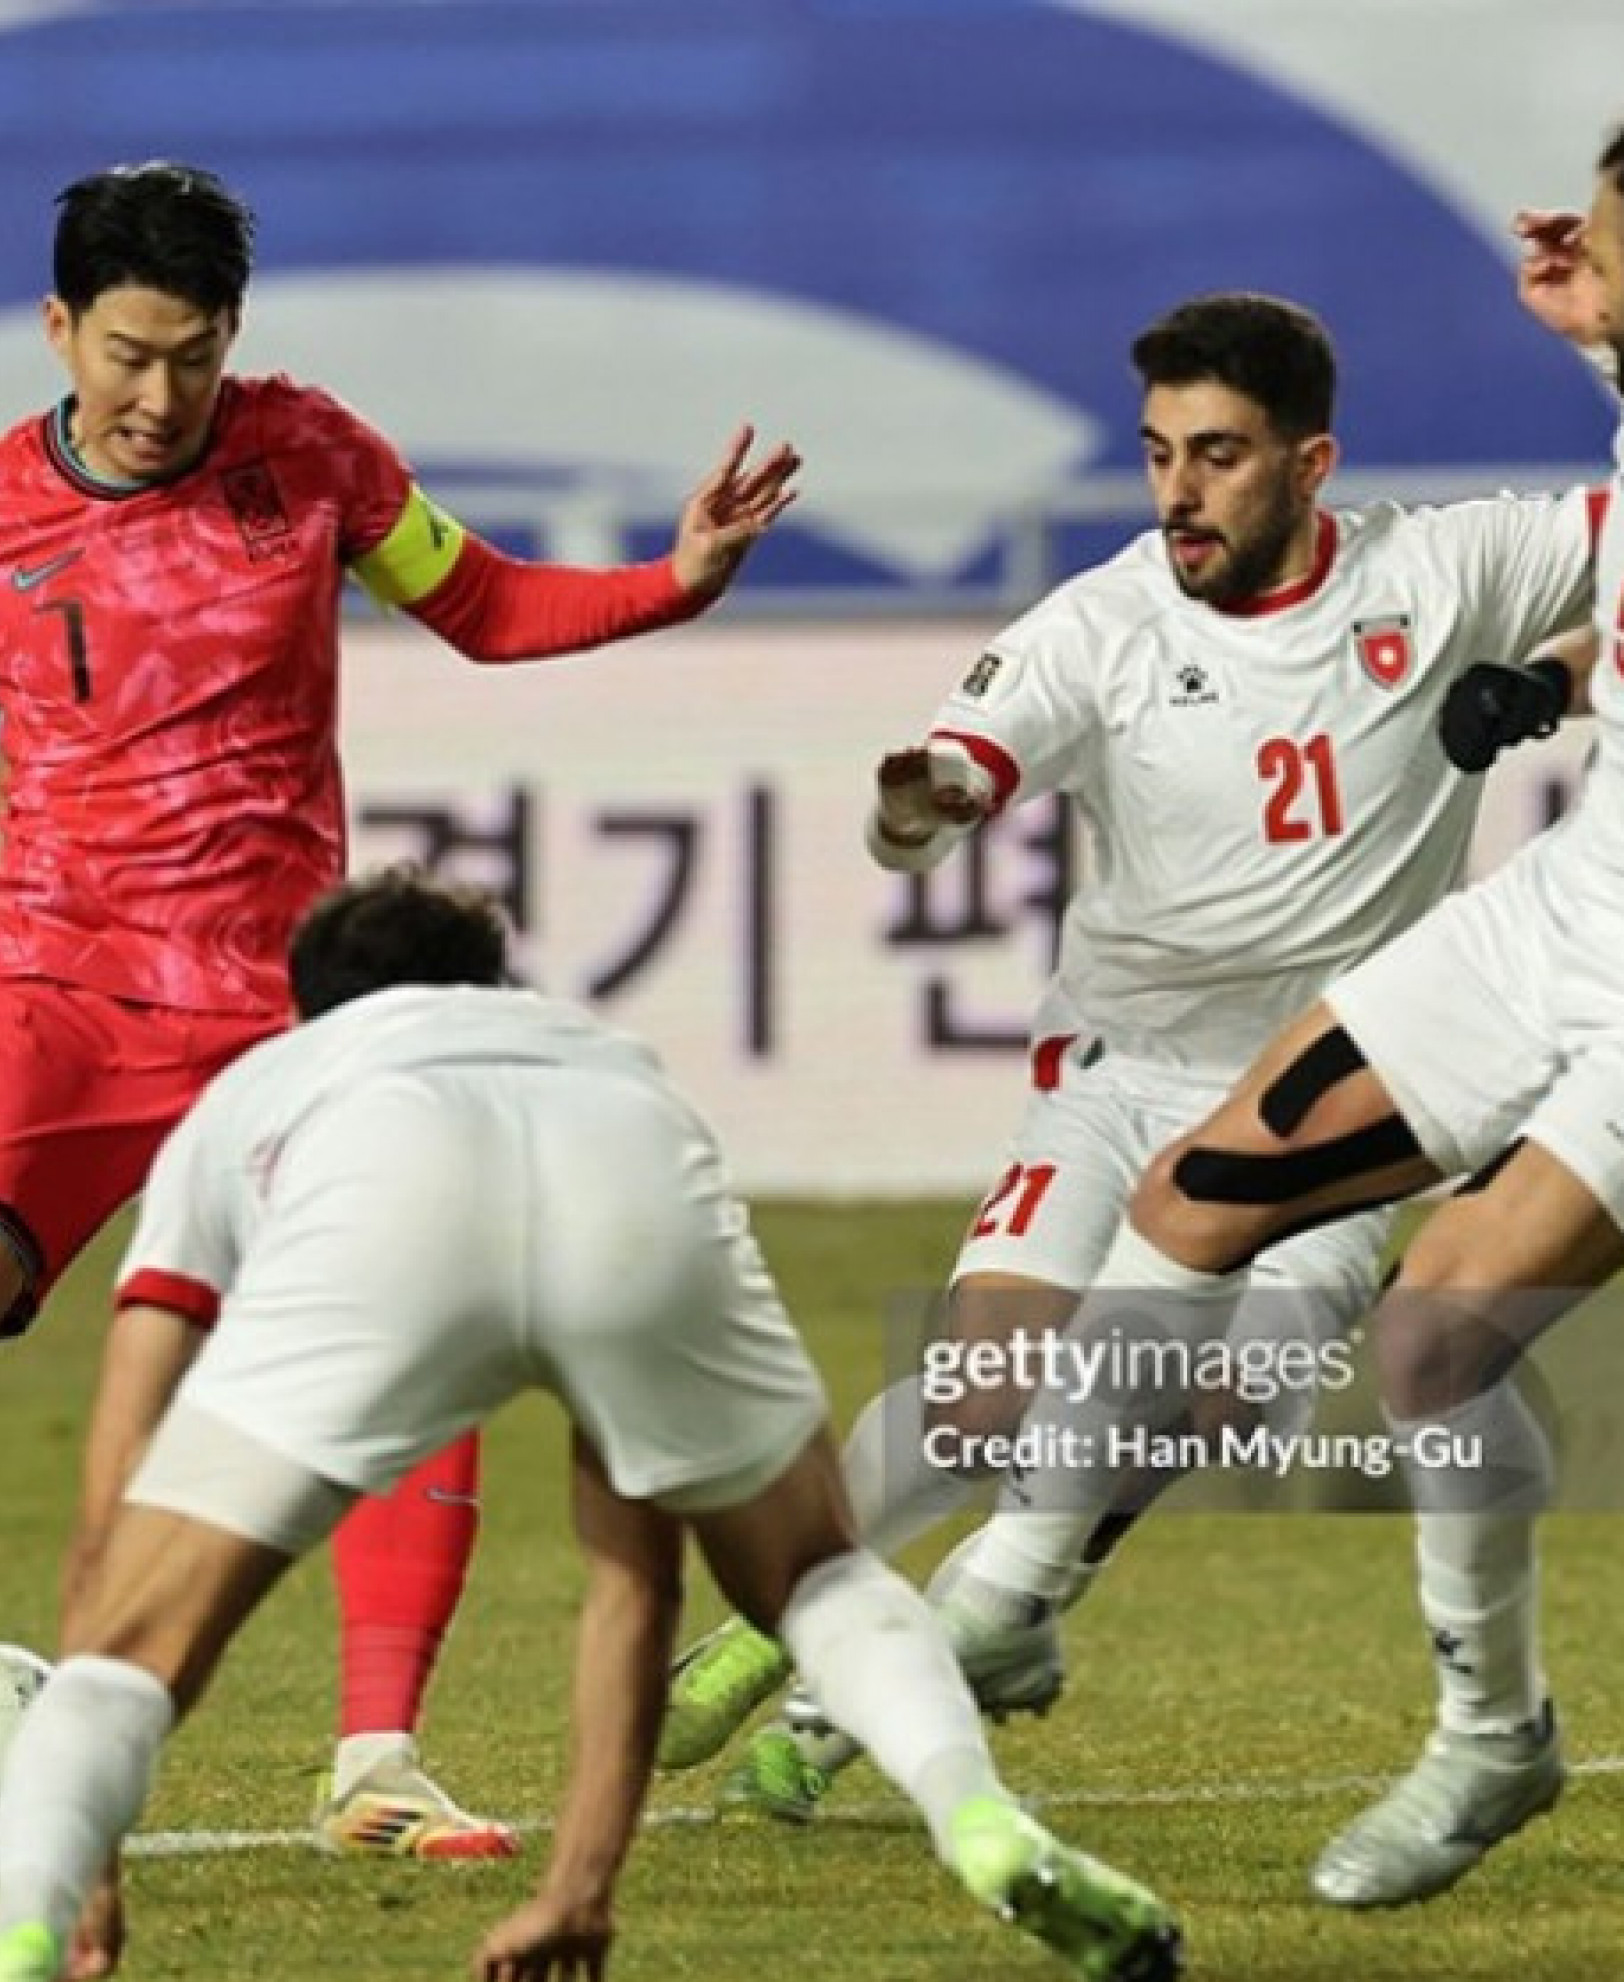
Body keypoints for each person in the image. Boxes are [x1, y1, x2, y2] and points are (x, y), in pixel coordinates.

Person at [0, 160, 799, 1867]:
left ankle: (376, 1760)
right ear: (58, 330)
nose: (161, 394)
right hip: (58, 1006)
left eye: (194, 354)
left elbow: (477, 604)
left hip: (282, 1014)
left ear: (233, 337)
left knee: (419, 1316)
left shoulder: (310, 456)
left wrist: (665, 584)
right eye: (126, 354)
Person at [0, 867, 1183, 1982]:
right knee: (817, 1574)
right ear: (493, 986)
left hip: (380, 1201)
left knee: (136, 1659)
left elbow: (124, 1431)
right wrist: (579, 1889)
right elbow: (636, 1580)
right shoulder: (606, 1058)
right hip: (626, 1182)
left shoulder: (270, 1079)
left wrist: (98, 1740)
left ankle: (21, 1930)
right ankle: (979, 1816)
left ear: (313, 1004)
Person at [655, 291, 1603, 1822]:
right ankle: (829, 1624)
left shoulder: (1440, 570)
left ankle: (921, 1659)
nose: (1179, 490)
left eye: (1220, 455)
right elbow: (949, 779)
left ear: (1313, 463)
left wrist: (1558, 666)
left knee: (1216, 1406)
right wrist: (920, 807)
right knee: (981, 1403)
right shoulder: (1104, 621)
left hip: (1339, 1091)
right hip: (1123, 1066)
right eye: (1160, 452)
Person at [925, 134, 1624, 1911]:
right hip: (1563, 907)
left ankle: (1492, 1740)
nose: (1581, 273)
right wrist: (1548, 671)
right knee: (1193, 1194)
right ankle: (1008, 1600)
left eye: (1609, 255)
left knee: (1439, 1336)